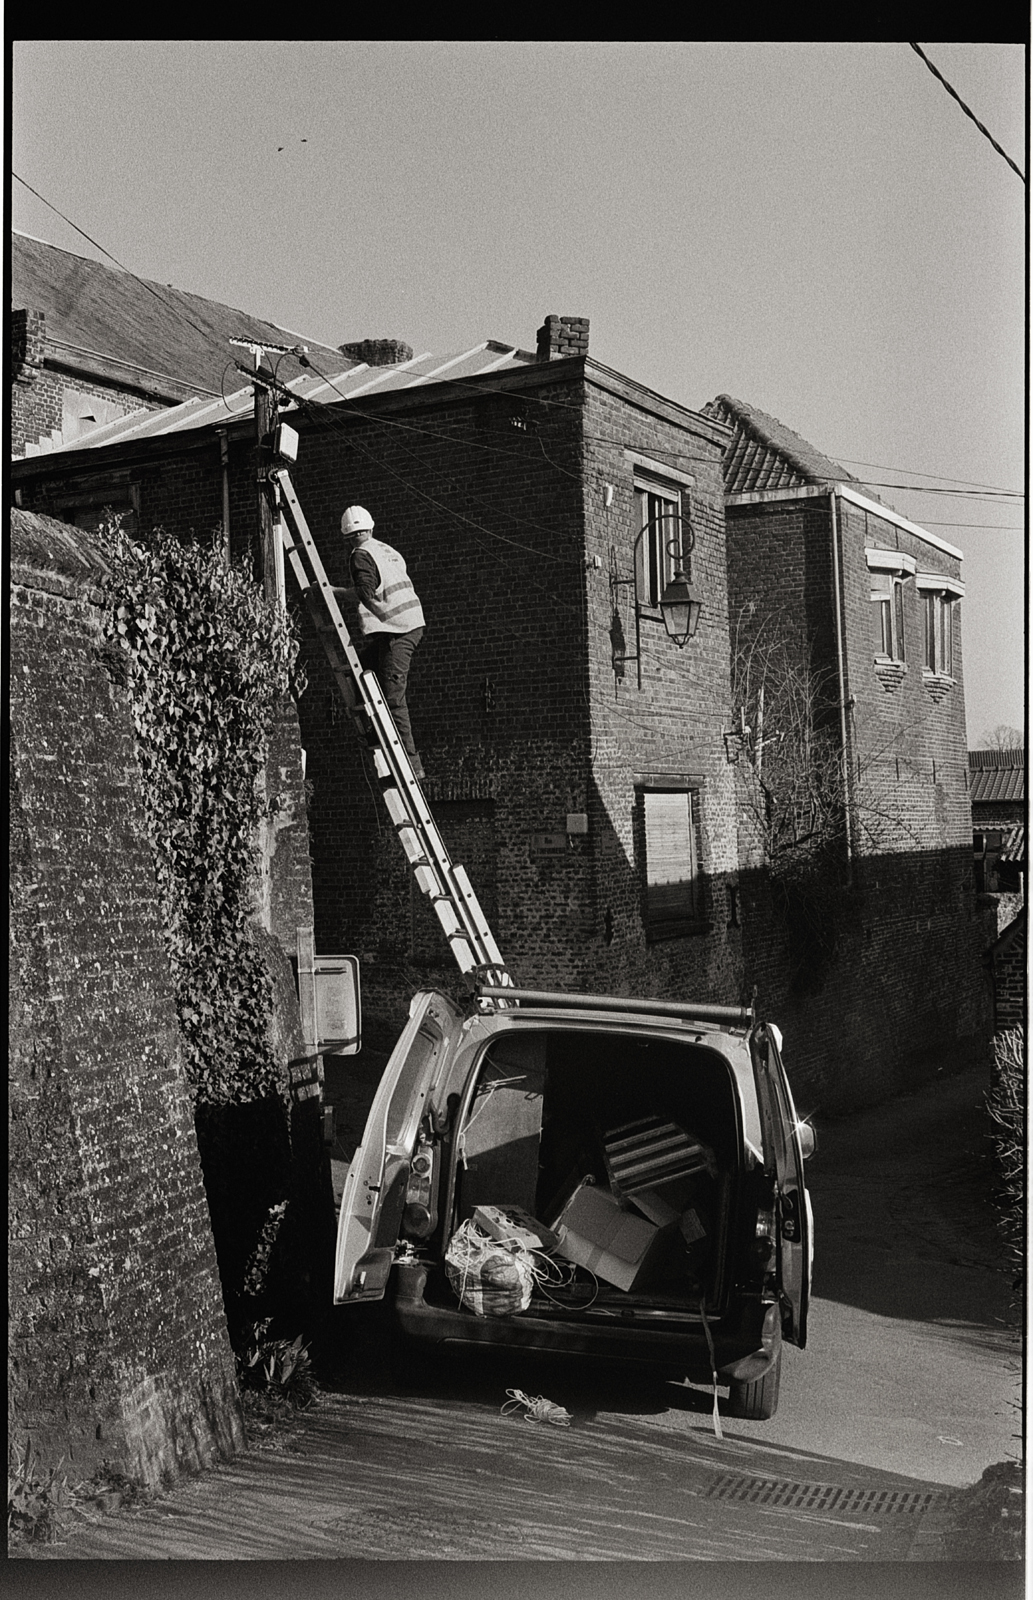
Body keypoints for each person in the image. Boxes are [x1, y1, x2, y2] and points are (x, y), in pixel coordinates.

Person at [333, 505, 426, 780]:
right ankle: (376, 730)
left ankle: (412, 764)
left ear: (348, 536)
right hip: (405, 625)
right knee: (362, 673)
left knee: (393, 696)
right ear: (370, 528)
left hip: (398, 629)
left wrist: (333, 592)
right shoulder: (386, 549)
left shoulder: (361, 555)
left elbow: (365, 592)